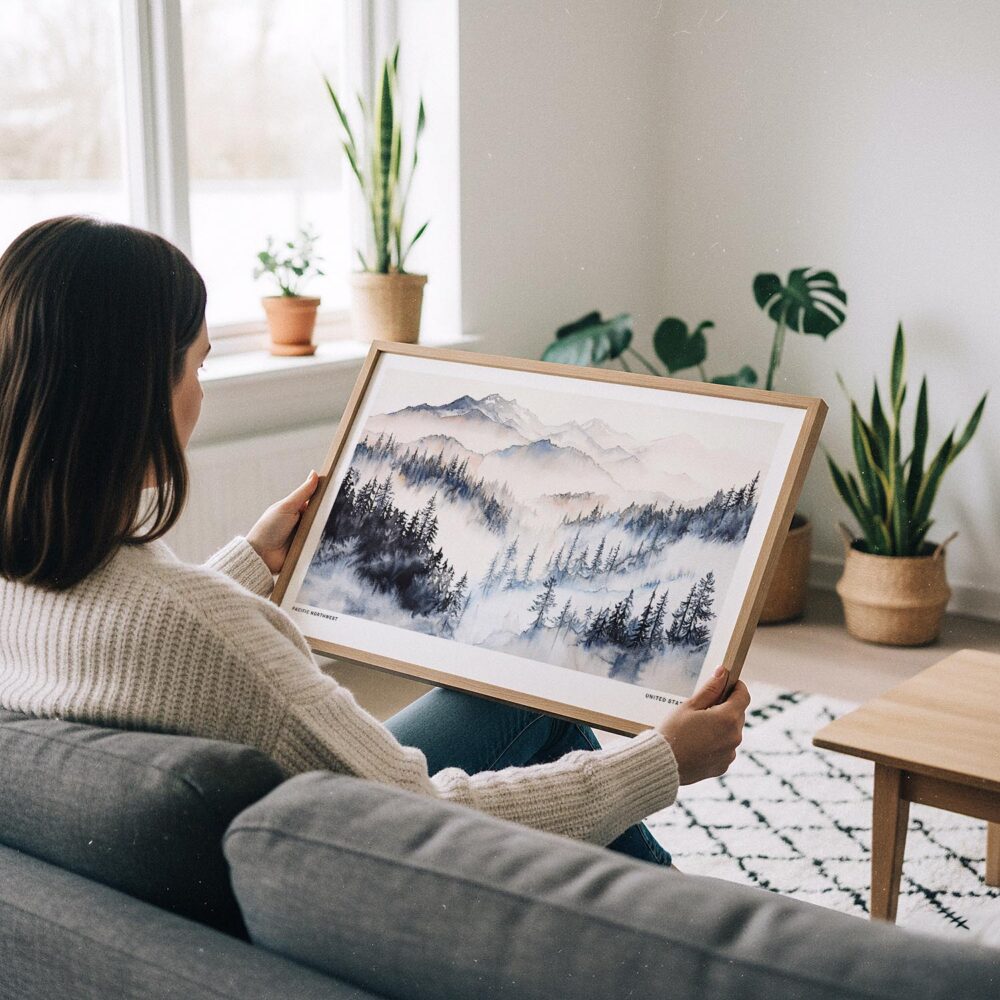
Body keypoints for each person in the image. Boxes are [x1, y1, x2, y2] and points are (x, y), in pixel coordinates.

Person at [0, 216, 749, 866]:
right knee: (545, 720)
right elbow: (419, 817)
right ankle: (697, 938)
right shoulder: (207, 631)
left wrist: (249, 564)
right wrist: (661, 761)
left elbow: (138, 638)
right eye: (198, 365)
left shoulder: (28, 581)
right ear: (134, 394)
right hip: (360, 859)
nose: (203, 391)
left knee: (503, 702)